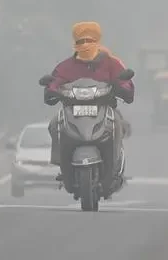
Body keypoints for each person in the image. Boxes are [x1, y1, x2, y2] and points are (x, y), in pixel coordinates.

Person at [43, 21, 135, 183]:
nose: (85, 45)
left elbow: (124, 81)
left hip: (105, 108)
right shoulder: (65, 66)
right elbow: (55, 80)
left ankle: (115, 166)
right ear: (74, 43)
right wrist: (51, 88)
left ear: (97, 41)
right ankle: (62, 164)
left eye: (89, 41)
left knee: (117, 124)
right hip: (71, 110)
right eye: (80, 42)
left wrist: (123, 86)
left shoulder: (112, 63)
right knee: (54, 124)